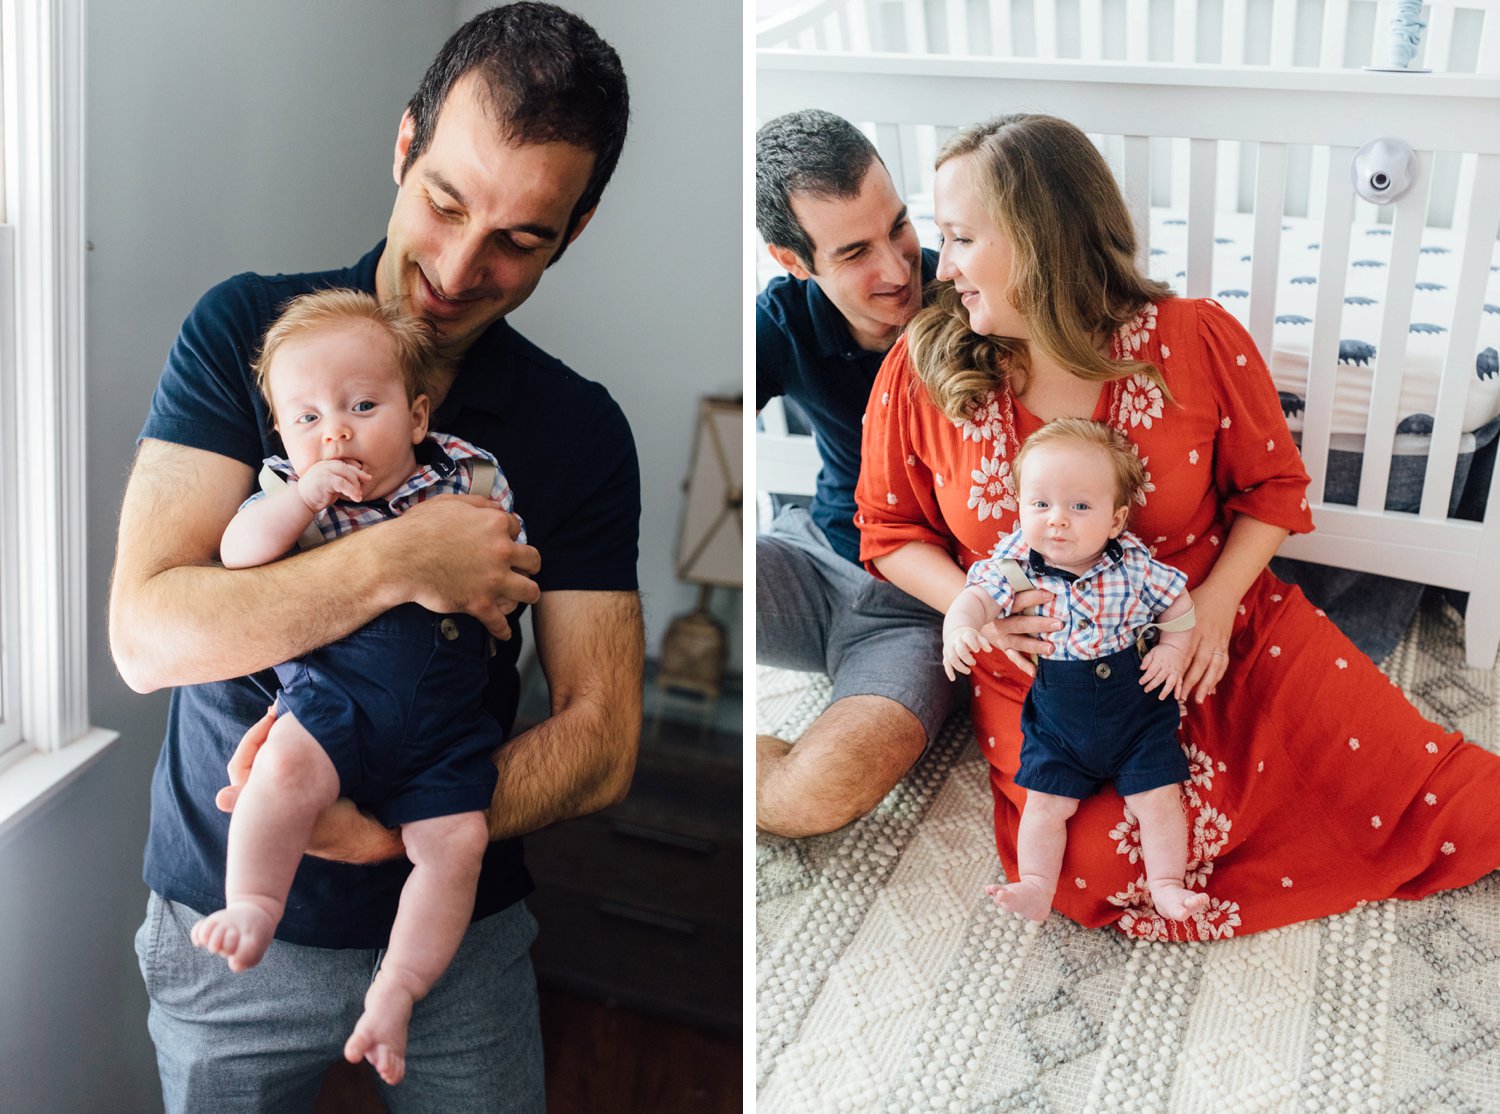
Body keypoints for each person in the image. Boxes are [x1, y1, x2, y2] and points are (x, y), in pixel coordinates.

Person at [108, 6, 642, 1110]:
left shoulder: (578, 429)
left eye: (520, 238)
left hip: (462, 937)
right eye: (445, 201)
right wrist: (405, 557)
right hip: (230, 925)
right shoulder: (253, 340)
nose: (456, 266)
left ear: (578, 230)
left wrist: (399, 831)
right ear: (404, 146)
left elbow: (603, 740)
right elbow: (146, 635)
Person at [856, 113, 1500, 942]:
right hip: (1049, 671)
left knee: (1437, 796)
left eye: (963, 239)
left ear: (1040, 238)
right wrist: (970, 608)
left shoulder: (1191, 338)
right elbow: (887, 528)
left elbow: (1272, 489)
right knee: (1097, 874)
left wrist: (1222, 606)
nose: (946, 269)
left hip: (1212, 626)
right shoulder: (925, 367)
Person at [193, 289, 523, 1087]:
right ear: (281, 435)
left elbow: (507, 574)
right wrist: (302, 496)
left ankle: (398, 989)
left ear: (416, 417)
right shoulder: (287, 491)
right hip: (333, 703)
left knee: (456, 845)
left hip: (444, 721)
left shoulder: (469, 476)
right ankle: (254, 906)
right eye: (305, 418)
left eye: (361, 405)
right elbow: (239, 556)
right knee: (279, 776)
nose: (333, 431)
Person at [755, 109, 1044, 836]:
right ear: (794, 262)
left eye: (899, 227)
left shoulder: (965, 293)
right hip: (810, 558)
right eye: (853, 252)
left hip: (921, 608)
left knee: (810, 798)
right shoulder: (782, 322)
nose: (895, 270)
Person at [943, 418, 1206, 923]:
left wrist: (1173, 650)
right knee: (1044, 803)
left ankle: (1167, 883)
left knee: (1158, 799)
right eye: (1039, 504)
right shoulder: (1016, 563)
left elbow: (1178, 606)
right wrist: (959, 629)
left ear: (1115, 519)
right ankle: (1037, 885)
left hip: (1137, 710)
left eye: (1079, 506)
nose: (1056, 520)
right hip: (1058, 720)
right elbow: (975, 599)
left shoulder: (1134, 564)